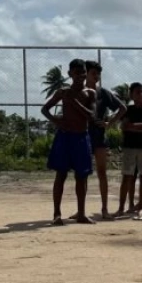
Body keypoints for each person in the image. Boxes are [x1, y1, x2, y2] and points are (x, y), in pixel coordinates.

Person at [41, 59, 96, 226]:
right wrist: (57, 122)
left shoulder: (90, 93)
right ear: (70, 74)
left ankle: (81, 213)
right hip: (65, 137)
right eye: (77, 72)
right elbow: (45, 109)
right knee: (61, 174)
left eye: (83, 72)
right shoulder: (62, 92)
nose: (80, 75)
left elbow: (91, 115)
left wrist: (75, 101)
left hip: (81, 137)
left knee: (82, 176)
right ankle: (57, 214)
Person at [85, 60, 126, 220]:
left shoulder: (103, 93)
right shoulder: (79, 92)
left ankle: (104, 209)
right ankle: (80, 209)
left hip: (99, 136)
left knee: (102, 172)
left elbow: (122, 108)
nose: (96, 77)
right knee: (82, 173)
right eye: (93, 73)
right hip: (83, 135)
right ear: (86, 74)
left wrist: (110, 123)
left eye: (98, 74)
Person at [117, 83, 142, 220]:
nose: (141, 95)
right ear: (132, 95)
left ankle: (141, 206)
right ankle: (122, 207)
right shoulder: (128, 110)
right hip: (130, 147)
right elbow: (124, 127)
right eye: (137, 92)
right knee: (127, 177)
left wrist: (134, 126)